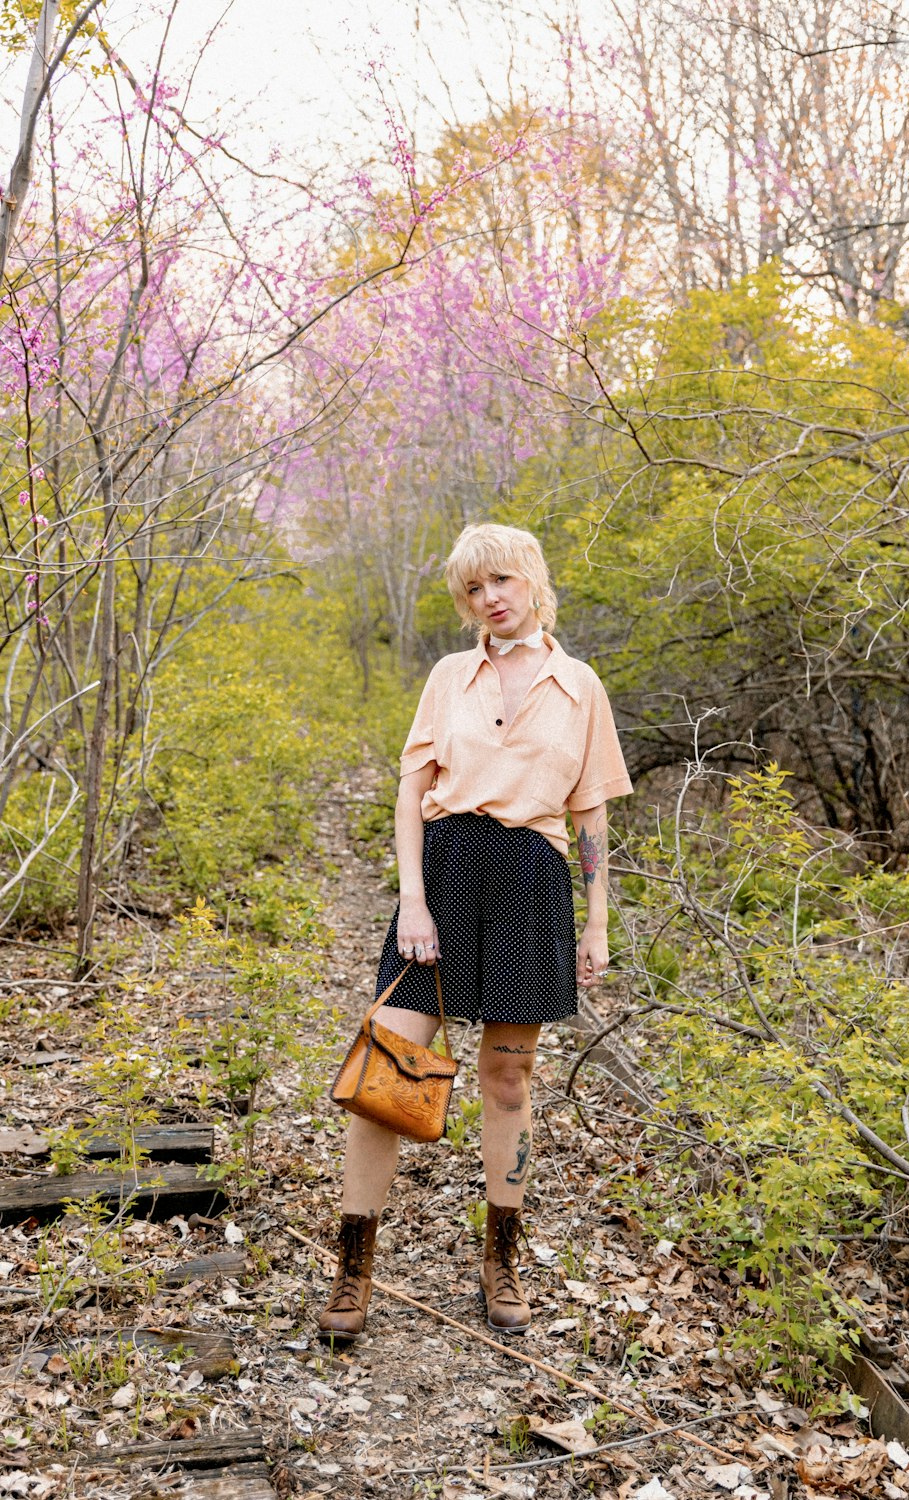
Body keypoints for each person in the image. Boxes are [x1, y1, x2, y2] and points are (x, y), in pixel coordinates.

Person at [319, 522, 633, 1339]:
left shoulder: (581, 686)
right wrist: (412, 898)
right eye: (472, 589)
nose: (488, 598)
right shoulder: (449, 676)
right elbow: (409, 789)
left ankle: (502, 1261)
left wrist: (597, 921)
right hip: (448, 867)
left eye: (498, 581)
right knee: (386, 1073)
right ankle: (354, 1272)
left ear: (530, 578)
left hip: (532, 880)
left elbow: (590, 809)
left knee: (506, 1081)